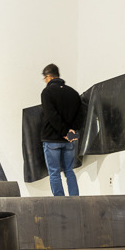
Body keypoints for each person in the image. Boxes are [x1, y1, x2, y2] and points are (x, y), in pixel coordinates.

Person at [39, 63, 81, 196]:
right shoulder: (73, 93)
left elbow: (51, 115)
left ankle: (59, 202)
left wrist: (63, 132)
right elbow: (80, 115)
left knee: (54, 173)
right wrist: (71, 131)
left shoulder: (47, 92)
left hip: (51, 139)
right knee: (69, 171)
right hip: (69, 139)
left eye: (45, 78)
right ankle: (75, 199)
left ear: (49, 77)